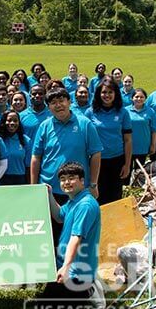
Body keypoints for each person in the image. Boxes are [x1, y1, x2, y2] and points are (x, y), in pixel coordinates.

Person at [31, 88, 102, 245]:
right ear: (49, 107)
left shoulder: (85, 124)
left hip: (78, 189)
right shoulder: (44, 126)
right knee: (52, 234)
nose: (58, 105)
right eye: (53, 103)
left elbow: (96, 154)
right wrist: (34, 186)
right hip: (50, 189)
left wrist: (93, 183)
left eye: (62, 101)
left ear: (69, 102)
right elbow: (36, 157)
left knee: (77, 233)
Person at [41, 162, 101, 306]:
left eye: (71, 178)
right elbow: (58, 216)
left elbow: (76, 238)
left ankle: (90, 291)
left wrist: (66, 267)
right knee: (44, 302)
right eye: (63, 179)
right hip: (68, 267)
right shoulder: (74, 201)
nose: (66, 182)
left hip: (78, 272)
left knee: (55, 308)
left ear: (82, 180)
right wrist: (49, 194)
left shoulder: (85, 205)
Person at [85, 78, 132, 205]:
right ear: (98, 94)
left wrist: (127, 165)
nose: (107, 95)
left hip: (117, 159)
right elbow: (85, 139)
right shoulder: (90, 112)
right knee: (97, 195)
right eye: (104, 92)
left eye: (110, 92)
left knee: (115, 196)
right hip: (96, 161)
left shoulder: (123, 112)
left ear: (116, 93)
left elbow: (127, 140)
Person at [0, 111, 31, 185]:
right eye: (9, 120)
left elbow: (28, 166)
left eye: (15, 121)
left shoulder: (25, 140)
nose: (12, 123)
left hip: (20, 179)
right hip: (1, 179)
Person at [127, 88, 156, 169]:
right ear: (132, 98)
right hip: (128, 147)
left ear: (145, 98)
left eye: (141, 97)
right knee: (126, 171)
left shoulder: (150, 111)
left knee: (139, 172)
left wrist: (153, 145)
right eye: (136, 97)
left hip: (142, 147)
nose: (139, 99)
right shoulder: (126, 111)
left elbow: (154, 130)